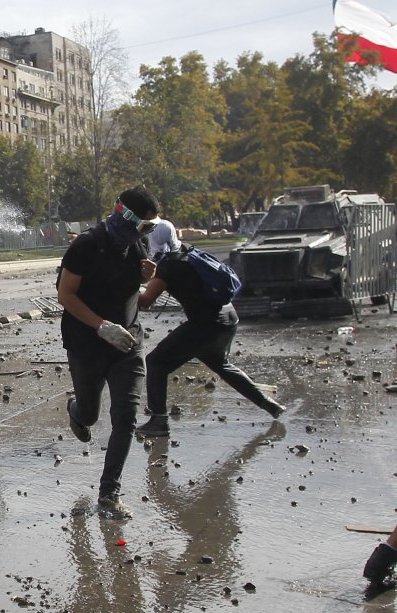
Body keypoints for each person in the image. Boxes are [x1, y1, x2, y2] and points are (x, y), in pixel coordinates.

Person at [57, 186, 160, 520]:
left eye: (150, 228)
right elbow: (65, 295)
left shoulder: (139, 246)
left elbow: (138, 297)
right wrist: (101, 326)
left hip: (128, 343)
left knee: (126, 417)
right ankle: (76, 410)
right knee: (90, 414)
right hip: (87, 343)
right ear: (124, 215)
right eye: (144, 226)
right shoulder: (86, 245)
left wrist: (146, 280)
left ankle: (109, 494)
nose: (146, 234)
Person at [136, 243, 285, 437]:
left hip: (206, 323)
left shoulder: (167, 265)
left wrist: (122, 291)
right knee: (221, 364)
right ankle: (268, 403)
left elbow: (146, 300)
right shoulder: (189, 252)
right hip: (228, 317)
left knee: (155, 362)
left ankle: (159, 421)